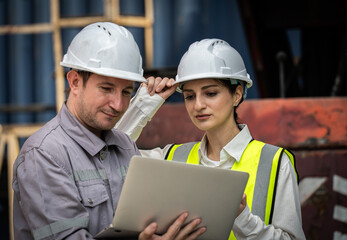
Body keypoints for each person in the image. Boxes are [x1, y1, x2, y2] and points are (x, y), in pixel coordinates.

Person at [12, 22, 206, 240]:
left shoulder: (125, 145)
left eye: (126, 92)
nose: (118, 104)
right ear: (75, 82)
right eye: (106, 88)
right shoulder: (44, 155)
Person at [116, 39, 306, 240]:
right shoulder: (170, 157)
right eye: (189, 96)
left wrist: (243, 220)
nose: (198, 105)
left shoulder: (275, 163)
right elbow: (110, 154)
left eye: (210, 93)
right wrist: (143, 106)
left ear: (237, 95)